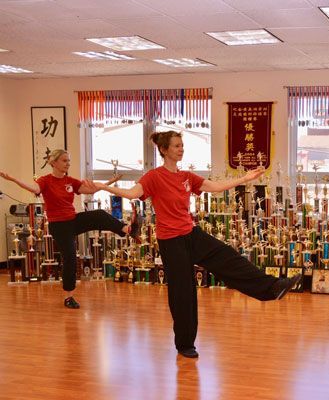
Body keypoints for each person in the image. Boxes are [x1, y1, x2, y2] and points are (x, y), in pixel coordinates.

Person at [89, 130, 302, 359]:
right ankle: (185, 344)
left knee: (228, 257)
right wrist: (104, 187)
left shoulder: (186, 177)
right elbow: (131, 193)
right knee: (183, 292)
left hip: (191, 234)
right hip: (170, 241)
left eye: (182, 145)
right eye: (177, 146)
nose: (181, 149)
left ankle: (272, 288)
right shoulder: (154, 177)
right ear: (164, 150)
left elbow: (215, 187)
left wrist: (245, 179)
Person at [0, 149, 140, 309]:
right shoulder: (45, 180)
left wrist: (106, 184)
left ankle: (127, 229)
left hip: (73, 220)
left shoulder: (70, 181)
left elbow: (90, 190)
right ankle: (69, 297)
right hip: (59, 226)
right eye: (64, 160)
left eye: (69, 160)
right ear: (53, 163)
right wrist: (13, 179)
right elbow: (34, 189)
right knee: (70, 259)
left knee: (100, 214)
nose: (68, 163)